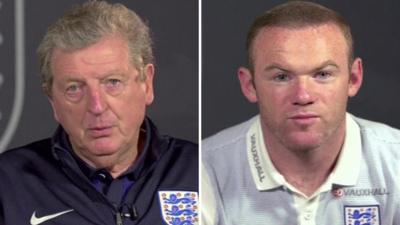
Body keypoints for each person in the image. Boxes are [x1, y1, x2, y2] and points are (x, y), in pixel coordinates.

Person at [202, 1, 400, 225]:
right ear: (249, 85)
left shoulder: (395, 162)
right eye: (282, 77)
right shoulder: (204, 169)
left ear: (354, 79)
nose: (303, 96)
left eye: (323, 74)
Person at [0, 1, 198, 225]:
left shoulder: (200, 171)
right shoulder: (8, 184)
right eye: (74, 88)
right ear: (52, 100)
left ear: (147, 83)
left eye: (112, 82)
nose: (96, 106)